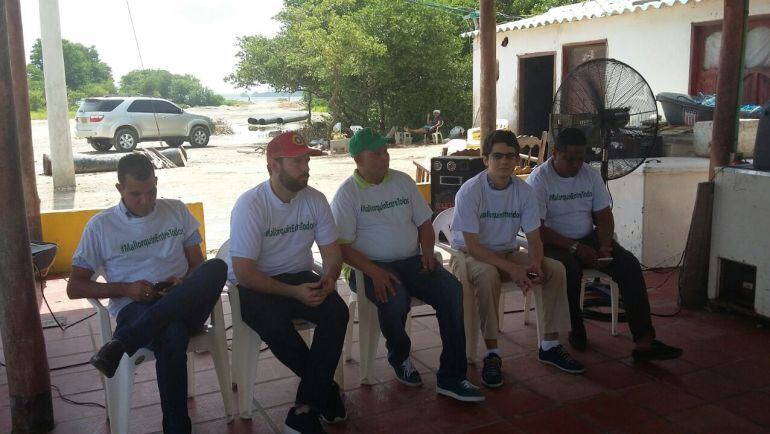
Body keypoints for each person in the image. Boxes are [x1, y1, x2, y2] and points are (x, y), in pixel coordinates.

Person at [67, 153, 227, 434]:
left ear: (156, 182)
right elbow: (75, 286)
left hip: (184, 303)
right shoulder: (101, 227)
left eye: (151, 191)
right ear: (119, 189)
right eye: (135, 194)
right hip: (134, 308)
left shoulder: (176, 211)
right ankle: (178, 429)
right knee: (173, 332)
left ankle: (120, 344)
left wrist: (183, 282)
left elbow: (197, 265)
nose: (146, 201)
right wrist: (126, 289)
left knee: (217, 267)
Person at [331, 128, 484, 402]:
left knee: (452, 291)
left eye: (385, 151)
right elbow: (342, 248)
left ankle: (452, 376)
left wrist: (427, 251)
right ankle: (399, 355)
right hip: (367, 267)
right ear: (358, 160)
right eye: (376, 153)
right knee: (395, 298)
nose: (385, 157)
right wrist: (375, 272)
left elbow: (425, 223)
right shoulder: (347, 194)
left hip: (412, 261)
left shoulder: (402, 182)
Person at [526, 127, 682, 362]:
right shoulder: (539, 180)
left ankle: (644, 341)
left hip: (589, 237)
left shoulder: (590, 175)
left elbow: (603, 215)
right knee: (569, 269)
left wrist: (605, 246)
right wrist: (575, 248)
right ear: (555, 153)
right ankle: (575, 328)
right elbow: (536, 229)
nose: (576, 164)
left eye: (581, 158)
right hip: (552, 241)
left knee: (628, 265)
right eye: (570, 158)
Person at [228, 131, 348, 434]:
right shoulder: (251, 205)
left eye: (306, 160)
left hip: (299, 275)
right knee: (273, 321)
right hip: (255, 283)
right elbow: (244, 272)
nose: (305, 166)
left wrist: (330, 277)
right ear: (274, 165)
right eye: (297, 161)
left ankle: (306, 406)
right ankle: (323, 393)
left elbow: (332, 253)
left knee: (337, 312)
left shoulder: (315, 200)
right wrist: (293, 292)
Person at [451, 129, 585, 383]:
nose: (504, 162)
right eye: (498, 156)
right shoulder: (470, 192)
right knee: (488, 274)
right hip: (469, 256)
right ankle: (492, 353)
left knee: (554, 269)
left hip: (508, 251)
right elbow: (473, 246)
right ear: (485, 159)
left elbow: (534, 238)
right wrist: (513, 270)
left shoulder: (524, 192)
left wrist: (534, 264)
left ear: (517, 159)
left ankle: (550, 345)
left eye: (510, 156)